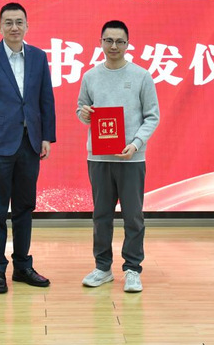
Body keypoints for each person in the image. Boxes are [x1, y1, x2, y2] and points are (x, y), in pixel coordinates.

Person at [0, 2, 57, 294]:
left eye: (19, 22)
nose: (14, 27)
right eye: (8, 22)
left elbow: (45, 99)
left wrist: (46, 136)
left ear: (27, 26)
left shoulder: (38, 57)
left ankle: (22, 266)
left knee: (24, 208)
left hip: (29, 143)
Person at [76, 20, 160, 293]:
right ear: (101, 42)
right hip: (99, 159)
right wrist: (84, 113)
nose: (114, 46)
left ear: (127, 44)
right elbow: (81, 110)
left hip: (131, 159)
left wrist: (136, 144)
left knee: (133, 216)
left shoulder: (141, 76)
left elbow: (152, 116)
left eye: (119, 41)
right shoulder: (90, 76)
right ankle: (103, 268)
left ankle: (133, 269)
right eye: (108, 40)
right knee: (101, 215)